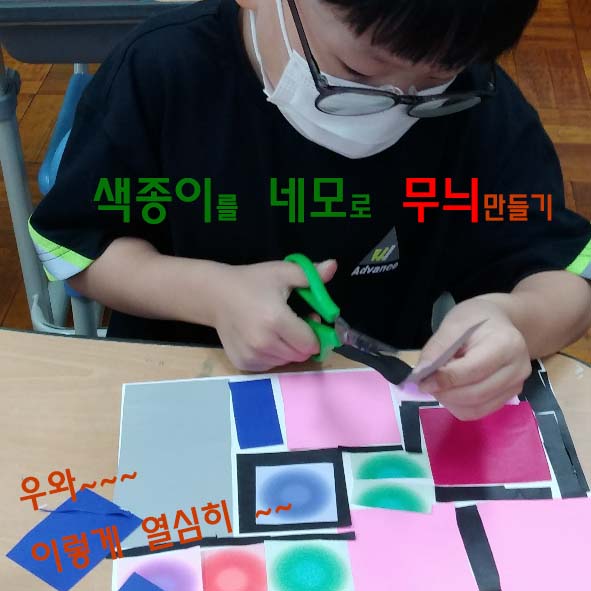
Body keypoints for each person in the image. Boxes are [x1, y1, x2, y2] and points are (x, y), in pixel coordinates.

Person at [29, 0, 591, 420]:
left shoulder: (476, 104)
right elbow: (79, 248)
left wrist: (516, 322)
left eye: (434, 82)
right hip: (179, 390)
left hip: (368, 413)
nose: (397, 104)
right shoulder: (164, 72)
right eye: (360, 73)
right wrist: (210, 293)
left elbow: (563, 276)